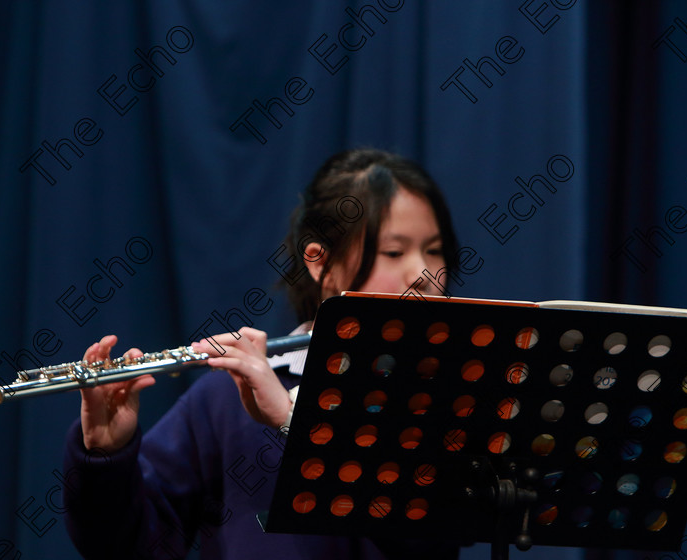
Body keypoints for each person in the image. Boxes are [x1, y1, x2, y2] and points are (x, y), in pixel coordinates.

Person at [62, 149, 462, 559]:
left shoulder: (453, 393)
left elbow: (426, 536)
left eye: (433, 250)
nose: (424, 274)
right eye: (394, 253)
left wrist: (293, 423)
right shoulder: (225, 399)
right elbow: (129, 547)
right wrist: (106, 458)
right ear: (319, 261)